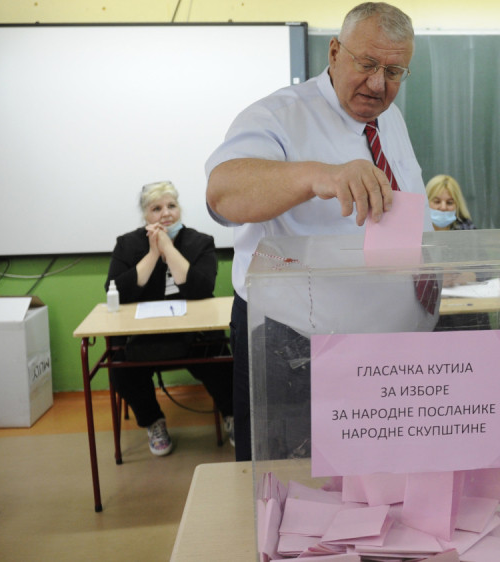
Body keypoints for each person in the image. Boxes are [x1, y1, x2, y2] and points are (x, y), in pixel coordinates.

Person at [205, 2, 432, 461]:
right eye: (366, 64)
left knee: (374, 482)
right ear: (333, 52)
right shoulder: (277, 116)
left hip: (389, 352)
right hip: (296, 350)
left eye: (393, 72)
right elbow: (222, 195)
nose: (378, 84)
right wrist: (318, 176)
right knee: (295, 485)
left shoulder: (390, 118)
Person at [105, 181, 234, 456]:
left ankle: (232, 415)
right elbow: (116, 292)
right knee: (119, 364)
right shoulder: (127, 244)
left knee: (219, 355)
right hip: (142, 334)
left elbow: (202, 289)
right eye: (156, 208)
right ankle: (153, 421)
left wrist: (169, 249)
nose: (166, 213)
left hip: (192, 333)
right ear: (145, 215)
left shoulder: (200, 242)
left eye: (171, 206)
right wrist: (154, 253)